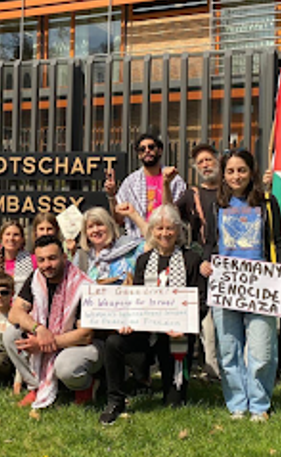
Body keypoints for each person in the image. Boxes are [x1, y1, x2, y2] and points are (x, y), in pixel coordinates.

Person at [209, 149, 281, 422]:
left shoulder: (268, 202)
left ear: (251, 172)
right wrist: (205, 263)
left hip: (261, 287)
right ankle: (237, 404)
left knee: (261, 350)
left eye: (241, 170)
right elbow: (210, 242)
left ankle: (259, 405)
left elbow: (278, 242)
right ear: (223, 174)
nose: (236, 176)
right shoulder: (216, 204)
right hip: (226, 286)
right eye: (231, 171)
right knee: (228, 350)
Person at [99, 205, 203, 425]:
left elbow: (201, 303)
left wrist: (184, 326)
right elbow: (136, 298)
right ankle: (115, 400)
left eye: (169, 228)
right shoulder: (144, 261)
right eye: (159, 228)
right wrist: (128, 321)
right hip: (146, 330)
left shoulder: (191, 259)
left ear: (178, 230)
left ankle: (170, 384)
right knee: (113, 343)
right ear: (152, 231)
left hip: (177, 335)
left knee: (175, 403)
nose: (164, 233)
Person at [4, 235, 103, 409]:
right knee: (10, 335)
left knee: (66, 366)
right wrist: (39, 329)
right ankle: (36, 386)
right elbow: (15, 312)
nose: (46, 265)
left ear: (64, 257)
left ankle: (84, 387)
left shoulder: (83, 285)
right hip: (46, 337)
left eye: (52, 258)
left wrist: (45, 343)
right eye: (41, 260)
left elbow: (86, 335)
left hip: (80, 346)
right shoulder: (36, 278)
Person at [173, 143, 221, 379]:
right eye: (201, 162)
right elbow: (169, 215)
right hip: (205, 264)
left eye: (209, 159)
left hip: (234, 264)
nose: (205, 164)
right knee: (208, 320)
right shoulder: (191, 195)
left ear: (218, 161)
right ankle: (212, 369)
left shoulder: (230, 189)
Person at [108, 134, 186, 238]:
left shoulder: (174, 180)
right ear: (139, 155)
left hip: (167, 239)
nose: (147, 151)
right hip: (137, 241)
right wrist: (111, 195)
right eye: (142, 149)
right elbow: (118, 220)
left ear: (160, 151)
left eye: (151, 147)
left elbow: (175, 215)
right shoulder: (130, 183)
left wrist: (166, 184)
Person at [73, 207, 144, 285]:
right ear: (85, 232)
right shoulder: (81, 257)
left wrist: (134, 215)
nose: (95, 230)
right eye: (90, 227)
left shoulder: (128, 247)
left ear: (109, 226)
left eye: (100, 224)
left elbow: (153, 242)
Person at [0, 221, 36, 291]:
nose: (11, 238)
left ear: (22, 239)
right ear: (1, 238)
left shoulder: (32, 261)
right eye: (8, 234)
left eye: (16, 235)